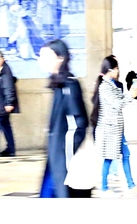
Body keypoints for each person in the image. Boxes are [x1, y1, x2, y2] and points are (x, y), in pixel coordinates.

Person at [39, 39, 89, 198]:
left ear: (60, 58)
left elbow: (79, 123)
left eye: (47, 56)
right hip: (56, 158)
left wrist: (66, 153)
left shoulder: (70, 85)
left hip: (64, 160)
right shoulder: (59, 85)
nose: (41, 60)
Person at [91, 55, 137, 196]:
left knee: (126, 154)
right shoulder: (104, 87)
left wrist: (130, 95)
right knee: (109, 158)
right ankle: (104, 188)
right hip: (109, 128)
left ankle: (131, 185)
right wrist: (130, 95)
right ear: (110, 69)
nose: (118, 71)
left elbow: (120, 101)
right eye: (116, 68)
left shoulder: (111, 84)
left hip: (117, 128)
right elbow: (117, 104)